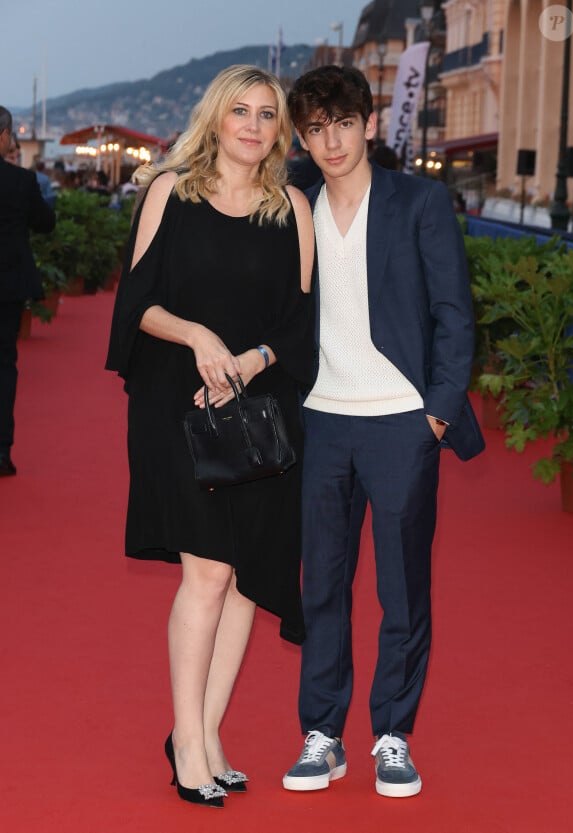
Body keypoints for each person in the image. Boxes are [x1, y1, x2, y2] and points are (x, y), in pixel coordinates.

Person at [105, 65, 314, 809]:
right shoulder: (170, 191)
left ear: (278, 129)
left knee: (243, 581)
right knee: (207, 572)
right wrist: (199, 337)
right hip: (177, 407)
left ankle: (207, 732)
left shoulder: (292, 206)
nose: (254, 125)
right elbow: (137, 303)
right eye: (241, 112)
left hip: (260, 413)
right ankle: (186, 740)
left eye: (267, 114)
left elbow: (300, 321)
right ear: (216, 119)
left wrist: (252, 362)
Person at [283, 66, 484, 798]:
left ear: (368, 123)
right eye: (314, 129)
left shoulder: (419, 201)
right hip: (322, 422)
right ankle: (323, 734)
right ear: (302, 137)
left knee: (402, 589)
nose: (329, 141)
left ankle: (392, 733)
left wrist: (434, 410)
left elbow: (453, 314)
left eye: (341, 123)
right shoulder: (295, 206)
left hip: (402, 422)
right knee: (323, 586)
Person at [0, 106, 56, 477]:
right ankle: (2, 452)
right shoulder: (21, 181)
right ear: (4, 135)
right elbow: (46, 223)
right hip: (8, 285)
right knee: (5, 365)